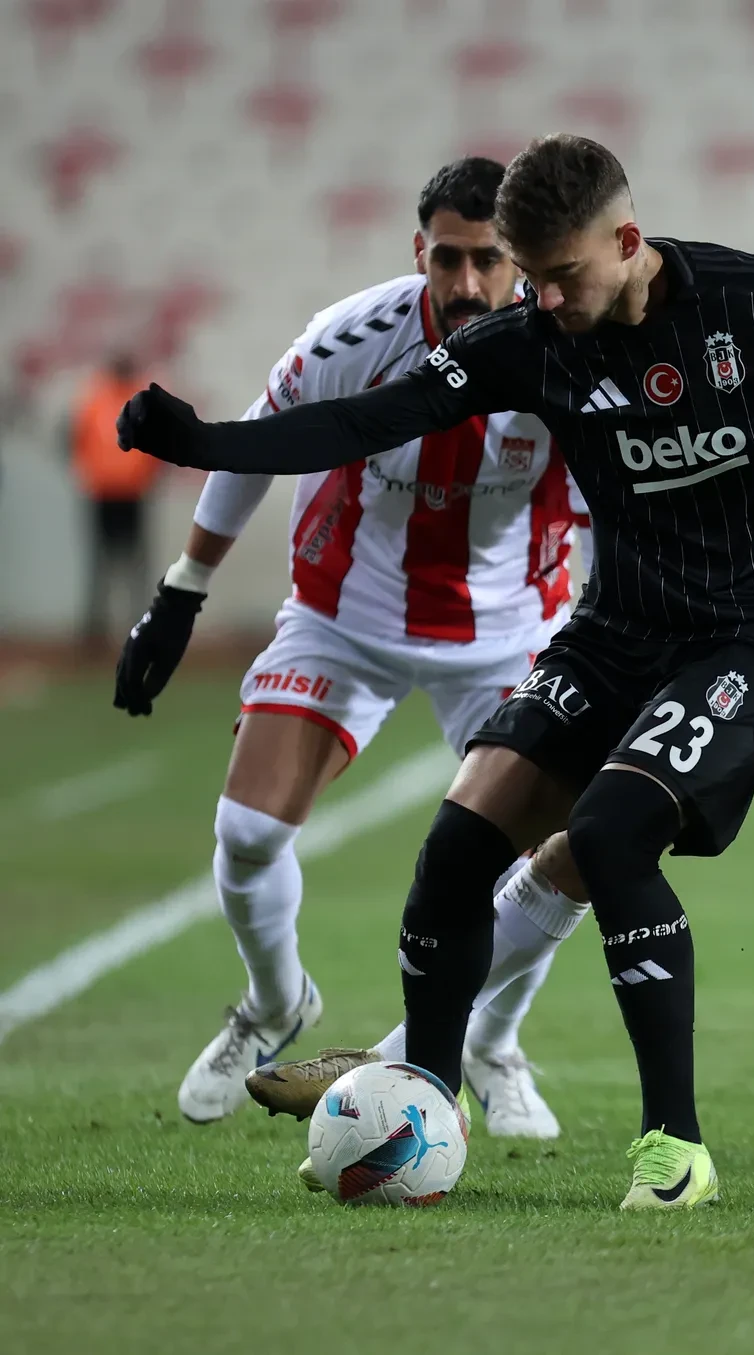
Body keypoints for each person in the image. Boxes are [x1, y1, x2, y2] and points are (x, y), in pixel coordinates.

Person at [117, 134, 754, 1209]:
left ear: (626, 240)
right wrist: (205, 441)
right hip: (616, 628)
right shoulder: (533, 336)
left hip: (751, 631)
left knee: (613, 832)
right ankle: (424, 1101)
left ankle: (674, 1150)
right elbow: (372, 414)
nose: (542, 297)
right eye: (527, 276)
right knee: (454, 846)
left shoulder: (752, 305)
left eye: (562, 274)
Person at [113, 157, 594, 1138]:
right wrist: (183, 591)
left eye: (489, 260)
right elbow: (254, 444)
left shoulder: (569, 358)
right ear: (419, 252)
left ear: (522, 262)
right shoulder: (354, 339)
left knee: (561, 843)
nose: (466, 283)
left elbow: (614, 504)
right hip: (345, 618)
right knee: (246, 834)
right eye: (447, 259)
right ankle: (275, 999)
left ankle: (485, 1040)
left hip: (505, 631)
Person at [70, 351, 163, 646]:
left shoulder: (139, 400)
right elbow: (77, 440)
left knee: (134, 562)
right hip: (102, 493)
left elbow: (156, 447)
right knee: (101, 562)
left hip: (132, 493)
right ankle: (95, 629)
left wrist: (144, 477)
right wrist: (90, 474)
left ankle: (139, 625)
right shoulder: (94, 398)